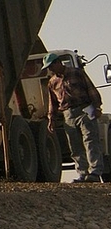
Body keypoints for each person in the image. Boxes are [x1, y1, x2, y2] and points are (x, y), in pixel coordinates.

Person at [43, 52, 105, 183]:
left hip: (84, 110)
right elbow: (52, 103)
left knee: (90, 141)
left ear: (58, 63)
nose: (50, 69)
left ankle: (94, 172)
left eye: (51, 66)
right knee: (75, 145)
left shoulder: (77, 73)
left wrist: (97, 107)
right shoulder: (52, 82)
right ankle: (82, 173)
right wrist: (51, 119)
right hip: (68, 115)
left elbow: (90, 89)